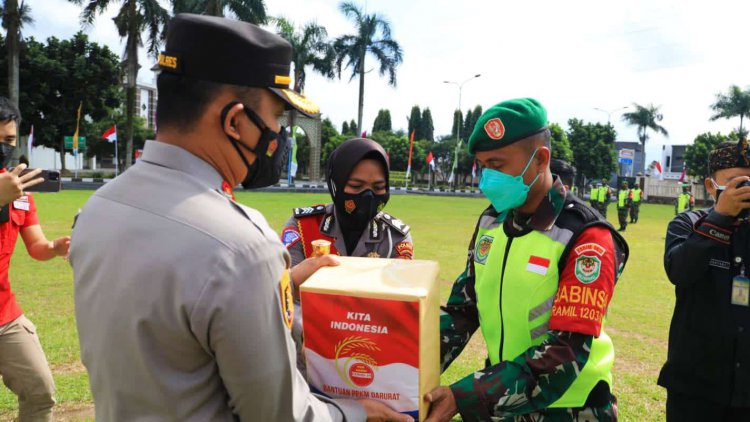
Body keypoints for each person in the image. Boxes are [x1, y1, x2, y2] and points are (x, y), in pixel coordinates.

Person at [70, 14, 409, 422]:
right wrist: (358, 413)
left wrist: (278, 287)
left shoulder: (99, 208)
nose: (279, 137)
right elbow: (279, 415)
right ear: (234, 121)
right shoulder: (241, 248)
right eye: (274, 120)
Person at [424, 98, 629, 421]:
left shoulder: (586, 237)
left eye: (498, 164)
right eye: (483, 166)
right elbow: (463, 310)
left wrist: (464, 397)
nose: (487, 177)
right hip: (505, 405)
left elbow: (566, 351)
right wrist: (408, 367)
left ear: (540, 159)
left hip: (570, 410)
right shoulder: (492, 222)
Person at [282, 138, 414, 376]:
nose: (368, 196)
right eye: (356, 186)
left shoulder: (395, 237)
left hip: (370, 363)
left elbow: (398, 311)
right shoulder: (303, 226)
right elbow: (286, 297)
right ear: (336, 184)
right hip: (306, 362)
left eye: (378, 187)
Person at [660, 139, 750, 420]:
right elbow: (680, 271)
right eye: (737, 183)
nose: (744, 191)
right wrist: (720, 218)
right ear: (711, 187)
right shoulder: (687, 224)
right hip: (695, 387)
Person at [0, 97, 68, 421]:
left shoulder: (20, 193)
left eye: (9, 140)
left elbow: (36, 245)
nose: (3, 147)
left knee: (41, 392)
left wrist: (54, 247)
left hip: (5, 315)